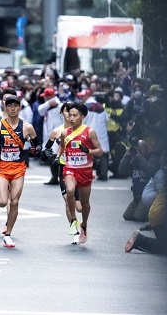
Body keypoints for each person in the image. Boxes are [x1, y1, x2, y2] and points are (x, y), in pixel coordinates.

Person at [0, 94, 40, 248]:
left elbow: (37, 143)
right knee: (2, 202)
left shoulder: (27, 127)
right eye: (10, 106)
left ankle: (8, 234)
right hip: (2, 166)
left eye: (15, 106)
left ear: (20, 108)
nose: (13, 109)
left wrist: (35, 148)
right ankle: (5, 190)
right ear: (5, 108)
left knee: (14, 201)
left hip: (18, 167)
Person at [59, 102, 104, 245]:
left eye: (75, 115)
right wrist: (57, 157)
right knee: (70, 191)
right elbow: (61, 146)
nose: (71, 118)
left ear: (82, 117)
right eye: (70, 115)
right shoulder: (65, 132)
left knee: (84, 203)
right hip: (70, 169)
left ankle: (84, 224)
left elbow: (100, 151)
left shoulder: (89, 132)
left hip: (85, 170)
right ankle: (73, 220)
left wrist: (88, 151)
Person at [42, 102, 83, 244]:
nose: (69, 115)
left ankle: (80, 223)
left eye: (72, 113)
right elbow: (46, 148)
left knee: (80, 207)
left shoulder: (82, 131)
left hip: (80, 170)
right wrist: (54, 157)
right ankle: (74, 228)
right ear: (62, 113)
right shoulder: (57, 131)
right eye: (66, 112)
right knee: (67, 199)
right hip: (65, 170)